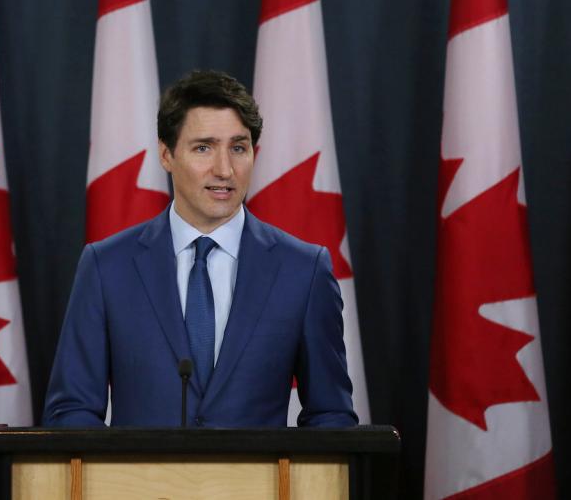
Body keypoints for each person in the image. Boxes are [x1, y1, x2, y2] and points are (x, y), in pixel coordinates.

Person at [43, 70, 357, 428]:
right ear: (166, 155)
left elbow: (331, 415)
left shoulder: (304, 270)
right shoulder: (106, 267)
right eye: (203, 148)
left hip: (259, 485)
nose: (224, 169)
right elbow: (71, 411)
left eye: (238, 148)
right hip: (138, 485)